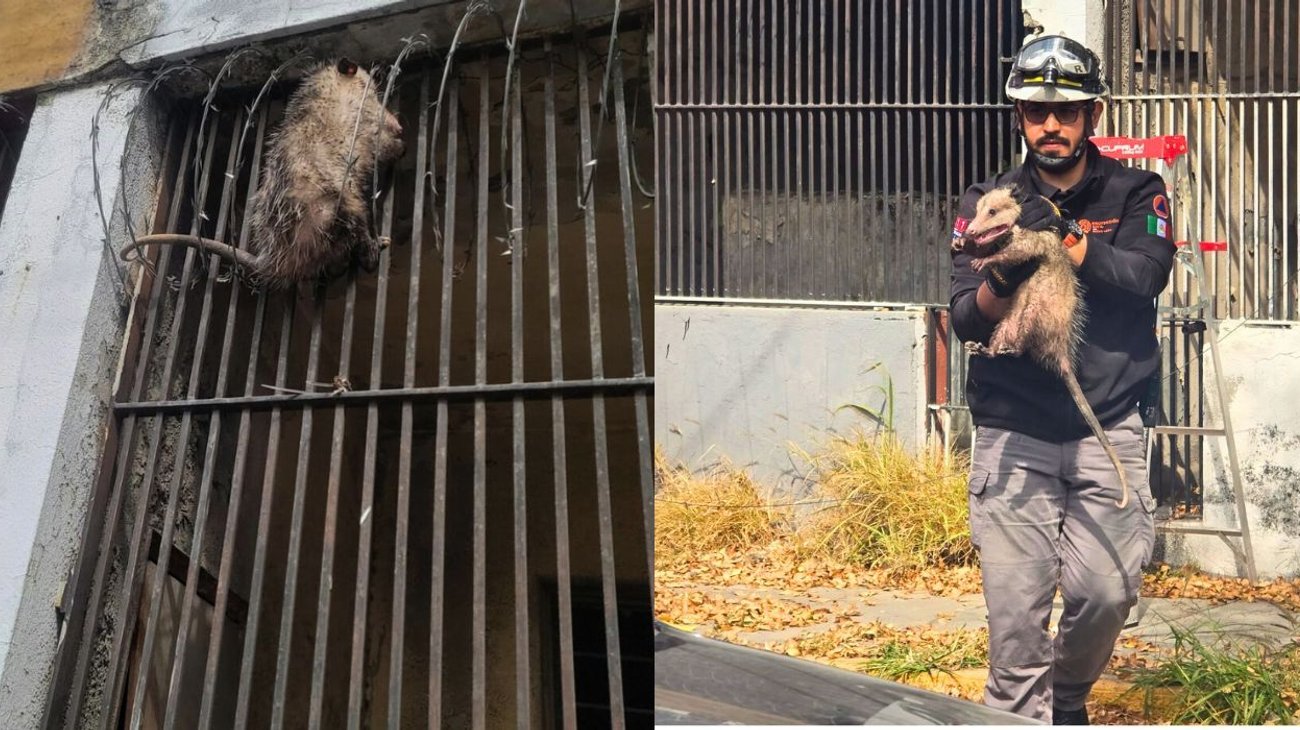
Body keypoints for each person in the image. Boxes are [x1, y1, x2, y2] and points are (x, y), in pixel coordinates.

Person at [948, 35, 1176, 725]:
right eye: (1037, 111)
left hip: (1108, 422)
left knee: (1106, 593)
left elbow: (1145, 278)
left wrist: (1071, 238)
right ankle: (1019, 714)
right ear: (1019, 116)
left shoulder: (1138, 190)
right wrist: (1006, 272)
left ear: (1092, 114)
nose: (1052, 125)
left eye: (1067, 110)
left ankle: (1066, 700)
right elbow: (965, 317)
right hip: (1014, 428)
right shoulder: (989, 198)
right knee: (1015, 617)